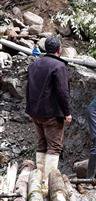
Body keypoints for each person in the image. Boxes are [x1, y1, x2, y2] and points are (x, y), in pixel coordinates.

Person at [26, 36, 72, 185]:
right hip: (51, 113)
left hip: (35, 112)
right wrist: (67, 113)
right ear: (59, 50)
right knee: (54, 147)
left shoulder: (34, 64)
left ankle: (38, 178)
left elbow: (28, 88)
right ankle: (47, 183)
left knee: (41, 144)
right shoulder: (59, 67)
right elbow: (62, 92)